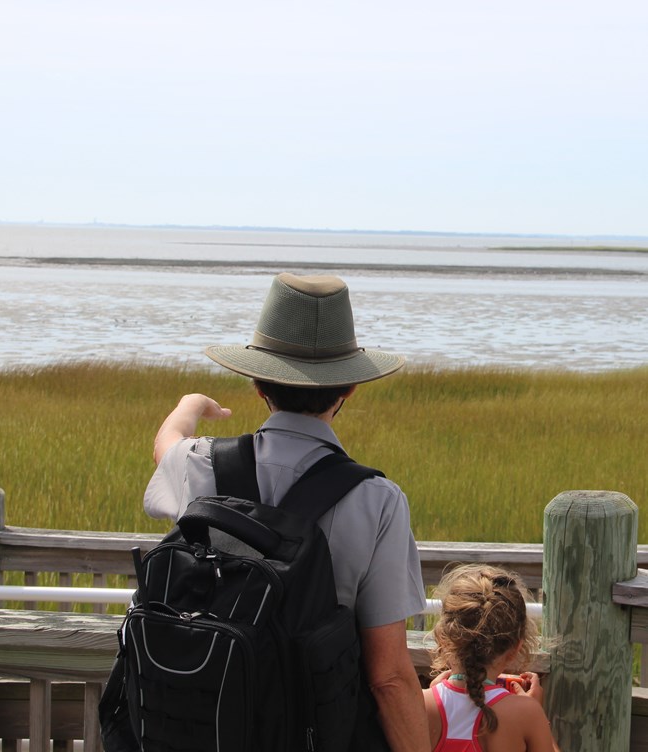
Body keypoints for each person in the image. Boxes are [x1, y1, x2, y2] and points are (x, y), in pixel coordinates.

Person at [143, 272, 431, 752]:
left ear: (257, 383)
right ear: (350, 390)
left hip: (208, 728)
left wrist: (189, 403)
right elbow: (388, 677)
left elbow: (164, 446)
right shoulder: (378, 499)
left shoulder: (202, 466)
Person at [423, 564, 560, 752]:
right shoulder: (525, 714)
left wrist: (434, 694)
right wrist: (539, 719)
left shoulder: (419, 706)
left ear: (442, 639)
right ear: (516, 649)